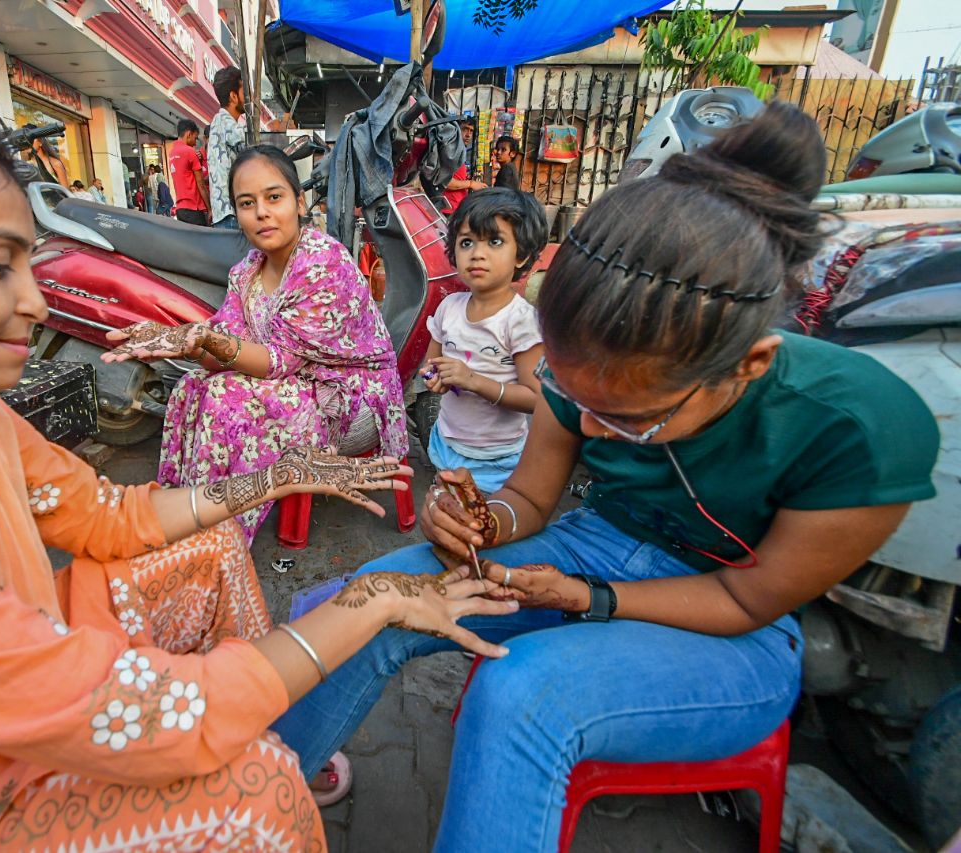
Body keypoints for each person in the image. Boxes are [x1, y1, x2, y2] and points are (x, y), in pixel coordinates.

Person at [0, 78, 517, 850]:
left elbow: (105, 516)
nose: (35, 299)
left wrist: (272, 476)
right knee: (256, 792)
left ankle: (260, 716)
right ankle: (250, 738)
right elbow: (102, 702)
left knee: (217, 547)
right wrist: (369, 599)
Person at [272, 103, 940, 849]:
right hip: (594, 548)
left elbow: (747, 596)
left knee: (522, 692)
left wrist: (595, 599)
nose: (587, 429)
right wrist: (481, 521)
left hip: (736, 631)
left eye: (628, 417)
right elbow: (530, 496)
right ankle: (250, 800)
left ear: (749, 365)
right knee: (369, 598)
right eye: (574, 399)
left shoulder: (858, 425)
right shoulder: (585, 368)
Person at [102, 144, 410, 543]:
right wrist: (188, 344)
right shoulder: (246, 271)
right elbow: (224, 351)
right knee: (191, 387)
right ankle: (186, 515)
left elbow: (277, 361)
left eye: (274, 197)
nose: (261, 212)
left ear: (299, 203)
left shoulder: (323, 261)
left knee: (228, 397)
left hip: (352, 401)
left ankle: (216, 541)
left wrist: (210, 340)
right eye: (247, 203)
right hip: (293, 384)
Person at [421, 189, 546, 492]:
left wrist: (474, 381)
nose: (477, 253)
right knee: (451, 518)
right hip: (447, 442)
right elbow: (429, 364)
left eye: (494, 241)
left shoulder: (520, 321)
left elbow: (537, 399)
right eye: (466, 243)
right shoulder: (449, 308)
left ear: (522, 255)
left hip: (496, 459)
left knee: (486, 529)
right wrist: (433, 378)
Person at [207, 67, 246, 229]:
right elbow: (251, 150)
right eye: (244, 91)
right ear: (233, 96)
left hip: (225, 214)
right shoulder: (224, 121)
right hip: (230, 214)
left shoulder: (221, 121)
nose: (248, 98)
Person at [169, 119, 208, 226]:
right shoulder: (190, 151)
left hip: (180, 209)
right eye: (195, 138)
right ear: (188, 134)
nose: (195, 143)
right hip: (194, 208)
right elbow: (201, 184)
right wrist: (210, 209)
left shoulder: (172, 153)